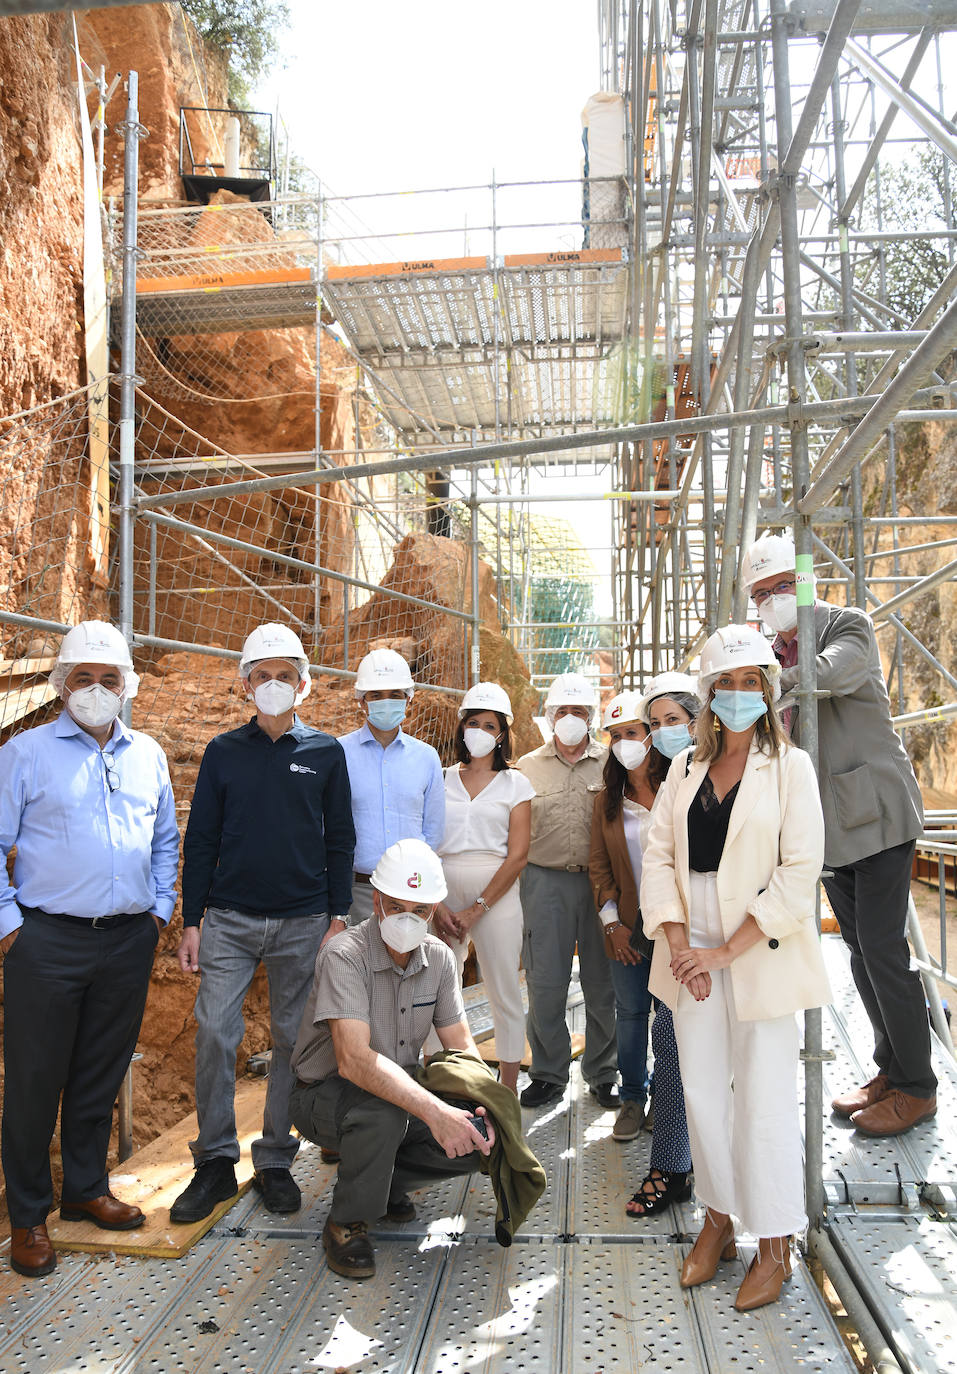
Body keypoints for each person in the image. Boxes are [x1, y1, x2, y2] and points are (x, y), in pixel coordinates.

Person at [640, 625, 830, 1311]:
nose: (741, 693)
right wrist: (677, 942)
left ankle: (774, 1240)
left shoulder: (791, 769)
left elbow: (798, 870)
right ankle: (717, 1217)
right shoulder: (684, 770)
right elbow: (658, 856)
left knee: (764, 1098)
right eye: (729, 683)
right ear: (709, 695)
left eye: (754, 682)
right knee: (701, 1096)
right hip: (687, 946)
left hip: (756, 949)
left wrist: (722, 952)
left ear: (767, 691)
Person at [742, 532, 936, 1136]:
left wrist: (763, 674)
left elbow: (825, 675)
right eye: (759, 594)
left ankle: (918, 1087)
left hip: (875, 817)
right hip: (833, 829)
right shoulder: (778, 649)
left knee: (884, 951)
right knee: (860, 953)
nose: (769, 601)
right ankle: (890, 1067)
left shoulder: (845, 627)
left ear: (798, 585)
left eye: (777, 588)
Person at [0, 622, 179, 1278]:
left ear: (126, 686)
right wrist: (9, 925)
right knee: (32, 1082)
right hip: (46, 941)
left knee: (99, 1075)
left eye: (109, 679)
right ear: (61, 684)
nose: (97, 690)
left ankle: (84, 1189)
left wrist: (158, 908)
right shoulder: (25, 753)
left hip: (126, 941)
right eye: (84, 678)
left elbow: (164, 839)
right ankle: (27, 1217)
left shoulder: (148, 755)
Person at [170, 623, 355, 1225]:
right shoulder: (225, 752)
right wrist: (192, 919)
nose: (273, 684)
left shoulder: (326, 753)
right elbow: (200, 840)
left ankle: (275, 1159)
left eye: (284, 675)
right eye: (262, 674)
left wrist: (336, 915)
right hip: (229, 919)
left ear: (303, 684)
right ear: (245, 683)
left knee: (290, 1042)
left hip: (304, 921)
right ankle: (215, 1163)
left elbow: (340, 841)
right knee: (216, 1034)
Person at [288, 840, 495, 1280]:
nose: (406, 919)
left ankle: (382, 1186)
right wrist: (435, 1112)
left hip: (397, 1085)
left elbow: (460, 1044)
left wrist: (486, 1106)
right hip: (324, 1094)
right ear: (376, 900)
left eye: (419, 911)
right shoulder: (345, 955)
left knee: (476, 1134)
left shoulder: (439, 959)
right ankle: (348, 1222)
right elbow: (354, 1061)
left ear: (434, 909)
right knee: (384, 1114)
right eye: (396, 905)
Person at [515, 673, 618, 1109]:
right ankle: (548, 1073)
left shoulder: (612, 762)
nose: (570, 719)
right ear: (549, 716)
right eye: (563, 712)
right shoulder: (526, 767)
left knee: (603, 983)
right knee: (545, 982)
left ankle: (603, 1073)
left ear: (591, 717)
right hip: (544, 881)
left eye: (579, 712)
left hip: (600, 884)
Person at [430, 682, 534, 1093]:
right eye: (473, 722)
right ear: (461, 728)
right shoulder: (440, 778)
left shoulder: (516, 785)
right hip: (441, 894)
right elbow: (427, 839)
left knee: (504, 989)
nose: (479, 730)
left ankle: (507, 1091)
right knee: (436, 988)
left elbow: (518, 855)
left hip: (496, 897)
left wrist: (476, 909)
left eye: (489, 724)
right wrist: (437, 905)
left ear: (502, 733)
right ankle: (443, 1081)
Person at [623, 673, 698, 1214]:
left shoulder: (752, 770)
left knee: (731, 1066)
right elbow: (658, 863)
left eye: (674, 719)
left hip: (736, 940)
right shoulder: (671, 780)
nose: (664, 731)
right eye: (656, 724)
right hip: (677, 940)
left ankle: (722, 1174)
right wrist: (674, 934)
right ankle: (671, 1167)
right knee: (669, 1053)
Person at [338, 648, 445, 929]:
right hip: (356, 891)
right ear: (361, 701)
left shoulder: (427, 757)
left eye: (395, 694)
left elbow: (433, 829)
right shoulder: (338, 753)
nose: (386, 702)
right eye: (376, 695)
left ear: (409, 698)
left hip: (412, 892)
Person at [588, 690, 654, 1142]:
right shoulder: (607, 799)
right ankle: (633, 1098)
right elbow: (600, 866)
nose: (623, 742)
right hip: (628, 926)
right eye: (615, 735)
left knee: (673, 1018)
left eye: (631, 732)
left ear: (651, 735)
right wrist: (612, 924)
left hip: (678, 927)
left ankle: (672, 1098)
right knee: (630, 1014)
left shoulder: (682, 785)